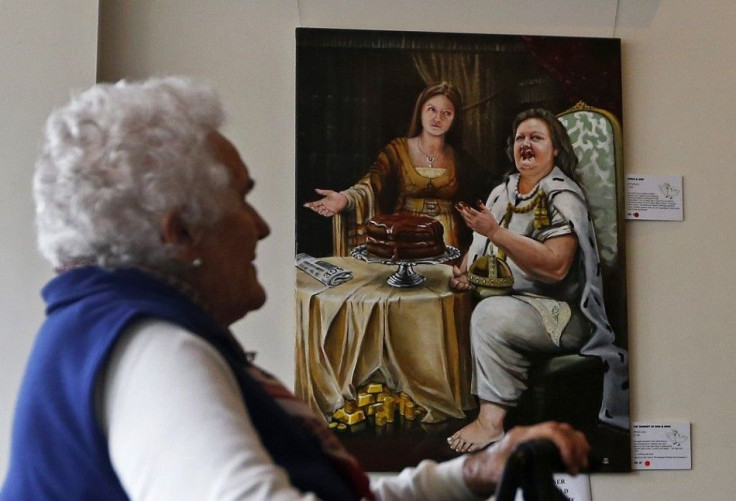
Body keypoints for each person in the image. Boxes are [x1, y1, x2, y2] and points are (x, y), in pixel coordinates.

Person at [1, 79, 590, 500]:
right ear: (180, 232)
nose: (260, 226)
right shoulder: (152, 352)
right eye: (241, 197)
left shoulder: (126, 335)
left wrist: (471, 476)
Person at [447, 109, 629, 453]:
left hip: (563, 315)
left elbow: (556, 268)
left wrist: (496, 232)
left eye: (536, 138)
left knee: (490, 315)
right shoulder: (504, 190)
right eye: (520, 138)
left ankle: (491, 422)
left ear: (555, 149)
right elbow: (479, 248)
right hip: (512, 302)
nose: (525, 145)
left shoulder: (563, 196)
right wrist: (465, 271)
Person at [304, 82, 489, 255]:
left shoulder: (461, 159)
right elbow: (370, 185)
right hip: (403, 240)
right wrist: (344, 199)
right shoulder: (397, 150)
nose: (437, 118)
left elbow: (483, 201)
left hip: (448, 243)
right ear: (420, 110)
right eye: (431, 109)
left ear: (454, 118)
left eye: (446, 113)